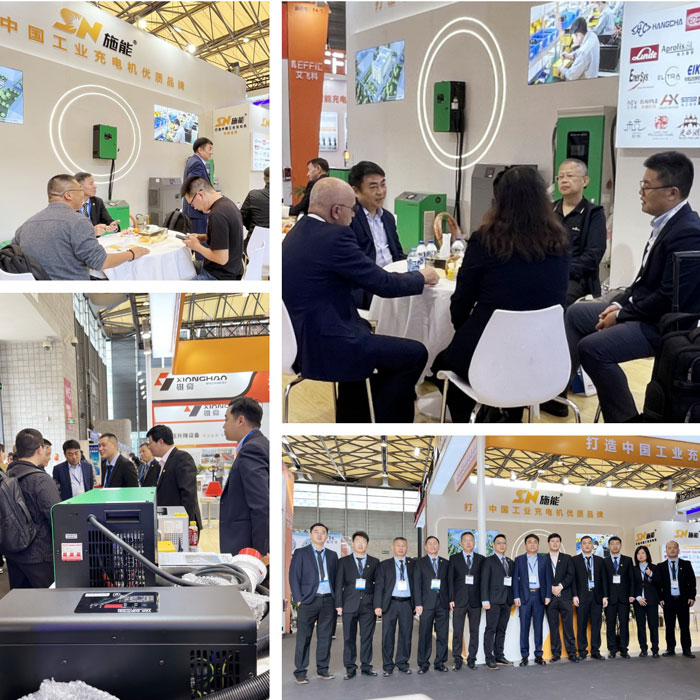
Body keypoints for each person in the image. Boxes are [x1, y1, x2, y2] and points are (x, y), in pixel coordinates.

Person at [282, 177, 438, 423]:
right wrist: (421, 277)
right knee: (415, 353)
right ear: (336, 211)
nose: (353, 216)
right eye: (352, 210)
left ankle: (355, 417)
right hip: (326, 344)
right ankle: (385, 424)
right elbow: (384, 284)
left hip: (298, 341)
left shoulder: (297, 232)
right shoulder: (335, 237)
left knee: (374, 343)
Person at [565, 151, 700, 421]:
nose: (641, 192)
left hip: (662, 325)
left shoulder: (688, 232)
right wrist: (617, 304)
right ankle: (558, 389)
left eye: (647, 186)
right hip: (643, 312)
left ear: (672, 192)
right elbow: (641, 282)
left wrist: (621, 314)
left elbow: (666, 297)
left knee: (592, 348)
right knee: (576, 313)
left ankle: (625, 422)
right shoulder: (665, 224)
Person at [430, 166, 569, 422]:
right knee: (505, 368)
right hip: (541, 355)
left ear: (499, 200)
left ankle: (475, 426)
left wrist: (463, 329)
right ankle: (506, 415)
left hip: (489, 352)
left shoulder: (485, 241)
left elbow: (461, 303)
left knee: (441, 365)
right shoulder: (559, 242)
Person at [13, 175, 148, 280]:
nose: (83, 195)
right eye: (80, 190)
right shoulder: (78, 222)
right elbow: (100, 262)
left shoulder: (26, 225)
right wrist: (132, 253)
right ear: (68, 195)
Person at [4, 429, 61, 589]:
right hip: (40, 556)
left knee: (22, 600)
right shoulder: (40, 479)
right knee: (47, 601)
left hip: (13, 553)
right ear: (40, 449)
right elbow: (56, 518)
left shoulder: (8, 475)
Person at [348, 161, 406, 309]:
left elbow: (397, 253)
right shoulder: (349, 218)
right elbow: (354, 266)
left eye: (383, 184)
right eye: (373, 187)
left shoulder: (388, 217)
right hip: (367, 286)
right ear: (355, 191)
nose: (381, 192)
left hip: (393, 280)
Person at [219, 397, 268, 559]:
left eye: (226, 419)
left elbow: (261, 504)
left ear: (241, 420)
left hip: (247, 549)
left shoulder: (252, 449)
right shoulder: (259, 444)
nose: (224, 425)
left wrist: (260, 554)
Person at [289, 523, 338, 684]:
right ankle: (300, 672)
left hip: (328, 600)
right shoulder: (300, 553)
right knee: (304, 637)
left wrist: (337, 600)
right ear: (310, 535)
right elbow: (294, 576)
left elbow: (336, 579)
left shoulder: (332, 555)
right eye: (316, 532)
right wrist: (299, 599)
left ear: (327, 536)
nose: (319, 534)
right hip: (308, 600)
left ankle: (322, 670)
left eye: (323, 532)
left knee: (325, 637)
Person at [555, 159, 607, 305]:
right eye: (560, 177)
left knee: (561, 298)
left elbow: (593, 255)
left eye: (570, 176)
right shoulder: (549, 211)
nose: (564, 180)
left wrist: (562, 270)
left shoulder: (594, 213)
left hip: (577, 279)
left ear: (585, 181)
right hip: (549, 273)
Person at [334, 530, 379, 679]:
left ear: (367, 544)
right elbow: (338, 584)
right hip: (349, 604)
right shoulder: (343, 561)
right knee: (349, 638)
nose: (360, 544)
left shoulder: (374, 562)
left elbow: (378, 585)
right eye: (358, 541)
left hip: (368, 605)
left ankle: (366, 666)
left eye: (363, 541)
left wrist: (377, 605)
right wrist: (339, 604)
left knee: (367, 638)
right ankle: (350, 668)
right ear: (352, 543)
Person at [181, 176, 244, 280]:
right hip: (232, 270)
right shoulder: (227, 203)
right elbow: (226, 237)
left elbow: (221, 259)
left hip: (220, 276)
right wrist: (202, 237)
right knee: (183, 266)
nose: (195, 208)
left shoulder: (217, 215)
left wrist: (196, 246)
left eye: (192, 204)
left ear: (200, 195)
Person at [145, 425, 202, 531]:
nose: (149, 447)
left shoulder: (182, 458)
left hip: (181, 525)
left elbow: (188, 495)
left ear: (160, 441)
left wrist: (187, 527)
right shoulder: (162, 464)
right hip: (170, 523)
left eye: (150, 442)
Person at [373, 536, 416, 676]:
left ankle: (402, 663)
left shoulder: (413, 564)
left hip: (407, 603)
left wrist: (417, 603)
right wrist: (378, 605)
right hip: (390, 603)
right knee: (387, 635)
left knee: (406, 635)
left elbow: (417, 585)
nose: (401, 548)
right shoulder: (384, 565)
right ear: (393, 547)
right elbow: (379, 586)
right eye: (398, 545)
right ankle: (388, 665)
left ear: (407, 547)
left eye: (403, 545)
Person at [513, 533, 551, 666]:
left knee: (538, 627)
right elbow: (515, 580)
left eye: (535, 542)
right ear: (525, 545)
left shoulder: (544, 559)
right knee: (524, 627)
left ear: (538, 544)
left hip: (539, 596)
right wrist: (516, 596)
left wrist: (548, 595)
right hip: (524, 597)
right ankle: (524, 656)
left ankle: (539, 655)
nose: (532, 544)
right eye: (530, 542)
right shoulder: (519, 560)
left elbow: (548, 579)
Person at [448, 530, 484, 670]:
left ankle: (472, 659)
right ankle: (457, 659)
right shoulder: (454, 558)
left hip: (476, 601)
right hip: (459, 600)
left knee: (474, 631)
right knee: (458, 631)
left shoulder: (481, 559)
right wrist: (451, 598)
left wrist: (484, 599)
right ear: (461, 543)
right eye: (465, 541)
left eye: (471, 540)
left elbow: (483, 581)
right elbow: (450, 580)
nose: (468, 543)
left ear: (474, 543)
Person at [414, 535, 450, 673]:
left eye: (435, 543)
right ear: (425, 547)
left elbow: (449, 583)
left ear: (439, 546)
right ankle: (423, 663)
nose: (433, 545)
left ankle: (440, 662)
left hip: (442, 603)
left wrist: (450, 600)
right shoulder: (420, 563)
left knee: (443, 634)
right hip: (426, 604)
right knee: (425, 634)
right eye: (430, 543)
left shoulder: (445, 563)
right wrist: (418, 603)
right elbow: (417, 584)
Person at [656, 540, 696, 658]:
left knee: (684, 626)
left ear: (678, 550)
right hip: (668, 601)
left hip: (683, 600)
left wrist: (692, 596)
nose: (672, 550)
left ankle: (687, 649)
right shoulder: (661, 566)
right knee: (669, 626)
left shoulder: (686, 564)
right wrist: (660, 598)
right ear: (666, 551)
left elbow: (692, 582)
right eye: (669, 548)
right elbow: (658, 584)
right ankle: (670, 649)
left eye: (674, 548)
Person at [480, 533, 515, 670]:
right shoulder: (488, 561)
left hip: (507, 601)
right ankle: (489, 658)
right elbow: (484, 581)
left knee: (502, 629)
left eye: (504, 543)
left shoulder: (510, 562)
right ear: (494, 546)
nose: (501, 545)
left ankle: (499, 655)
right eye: (499, 543)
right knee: (491, 629)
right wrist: (485, 599)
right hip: (493, 601)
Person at [571, 535, 608, 660]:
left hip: (596, 597)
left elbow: (604, 579)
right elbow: (573, 580)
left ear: (592, 545)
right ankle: (582, 651)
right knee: (581, 625)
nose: (587, 545)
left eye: (589, 543)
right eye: (584, 543)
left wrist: (605, 596)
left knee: (596, 625)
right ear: (581, 545)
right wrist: (574, 595)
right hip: (582, 597)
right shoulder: (575, 560)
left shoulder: (599, 560)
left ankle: (595, 651)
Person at [545, 533, 578, 662]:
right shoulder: (543, 558)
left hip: (565, 596)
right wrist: (551, 589)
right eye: (552, 541)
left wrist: (560, 587)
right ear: (549, 543)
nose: (555, 543)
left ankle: (572, 653)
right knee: (553, 627)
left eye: (557, 541)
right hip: (550, 598)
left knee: (568, 626)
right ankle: (556, 653)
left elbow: (571, 575)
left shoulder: (567, 558)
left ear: (560, 543)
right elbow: (541, 576)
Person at [602, 535, 633, 658]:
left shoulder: (628, 560)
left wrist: (631, 595)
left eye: (617, 544)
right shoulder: (604, 561)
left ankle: (624, 648)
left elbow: (631, 579)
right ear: (609, 547)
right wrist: (605, 596)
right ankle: (612, 649)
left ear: (620, 546)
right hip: (610, 599)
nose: (615, 546)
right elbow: (603, 580)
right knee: (610, 624)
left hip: (624, 598)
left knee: (624, 624)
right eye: (612, 544)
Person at [632, 545, 660, 658]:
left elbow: (660, 582)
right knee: (641, 626)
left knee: (653, 626)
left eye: (643, 553)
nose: (641, 555)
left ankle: (655, 649)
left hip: (652, 601)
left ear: (647, 554)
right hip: (638, 601)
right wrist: (637, 597)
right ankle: (643, 649)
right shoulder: (633, 569)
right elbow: (631, 585)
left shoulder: (654, 567)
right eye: (638, 553)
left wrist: (651, 574)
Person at [183, 137, 214, 234]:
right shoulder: (197, 163)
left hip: (193, 212)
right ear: (200, 150)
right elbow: (193, 188)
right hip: (197, 213)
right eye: (209, 149)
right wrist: (203, 208)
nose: (211, 152)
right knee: (199, 241)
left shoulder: (194, 161)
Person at [241, 167, 270, 234]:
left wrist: (252, 228)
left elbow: (242, 217)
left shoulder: (253, 195)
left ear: (265, 179)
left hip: (255, 236)